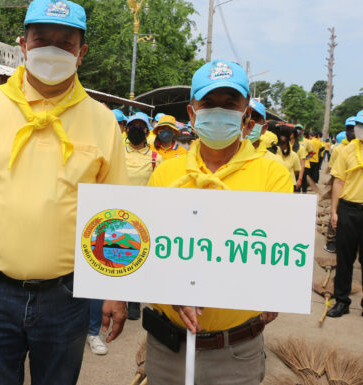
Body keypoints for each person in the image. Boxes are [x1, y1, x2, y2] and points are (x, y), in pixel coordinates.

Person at [0, 0, 128, 385]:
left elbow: (115, 213)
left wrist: (116, 290)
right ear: (22, 45)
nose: (53, 51)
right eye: (42, 40)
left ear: (81, 52)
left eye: (66, 43)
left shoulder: (102, 121)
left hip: (67, 297)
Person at [143, 60, 292, 385]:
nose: (219, 112)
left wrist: (274, 291)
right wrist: (168, 288)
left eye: (230, 104)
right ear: (193, 113)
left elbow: (278, 254)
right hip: (167, 350)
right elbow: (149, 251)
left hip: (236, 354)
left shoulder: (273, 176)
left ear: (245, 116)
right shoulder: (166, 173)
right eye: (209, 104)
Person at [124, 112, 162, 322]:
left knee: (138, 257)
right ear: (127, 130)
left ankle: (133, 302)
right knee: (117, 254)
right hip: (120, 211)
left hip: (144, 213)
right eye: (132, 126)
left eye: (141, 127)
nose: (136, 130)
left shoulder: (157, 157)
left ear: (147, 131)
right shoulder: (119, 152)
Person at [327, 109, 363, 318]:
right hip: (348, 209)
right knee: (344, 259)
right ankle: (342, 301)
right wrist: (334, 211)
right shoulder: (346, 151)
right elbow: (338, 181)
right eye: (359, 125)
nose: (359, 130)